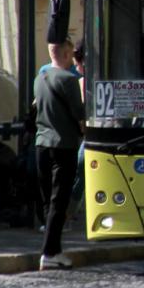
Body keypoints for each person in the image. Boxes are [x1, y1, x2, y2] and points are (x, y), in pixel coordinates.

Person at [33, 40, 85, 270]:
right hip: (63, 145)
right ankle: (50, 252)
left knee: (48, 202)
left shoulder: (39, 78)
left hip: (41, 144)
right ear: (66, 53)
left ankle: (52, 249)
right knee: (59, 201)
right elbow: (79, 114)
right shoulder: (69, 80)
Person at [65, 39, 86, 229]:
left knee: (79, 172)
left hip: (90, 137)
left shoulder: (82, 83)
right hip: (88, 136)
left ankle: (66, 216)